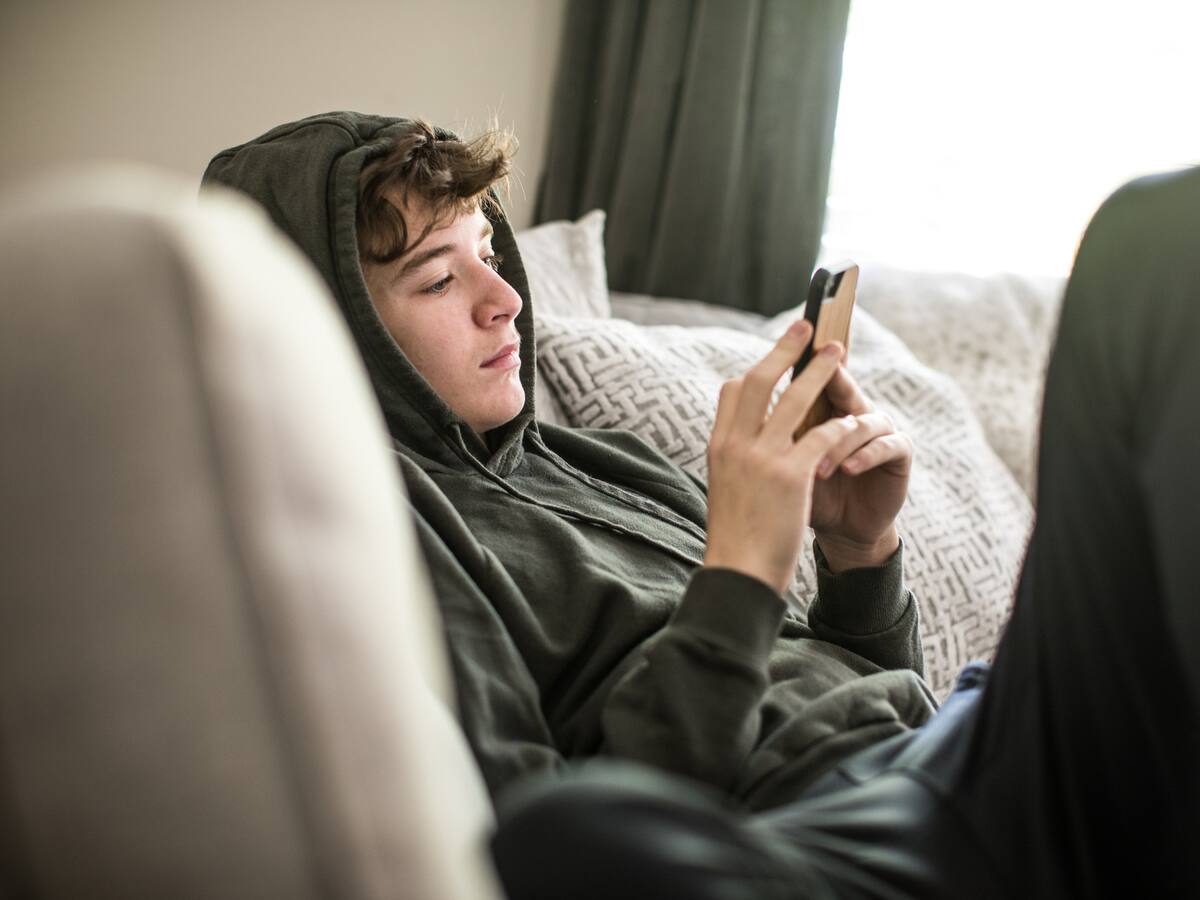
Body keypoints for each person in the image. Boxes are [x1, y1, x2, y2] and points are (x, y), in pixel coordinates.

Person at [205, 113, 1200, 896]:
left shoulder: (605, 461)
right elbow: (547, 834)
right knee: (564, 842)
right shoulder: (387, 540)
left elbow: (860, 693)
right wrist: (744, 572)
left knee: (1155, 240)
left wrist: (860, 557)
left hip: (958, 752)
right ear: (323, 327)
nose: (502, 298)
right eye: (436, 279)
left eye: (489, 255)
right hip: (817, 844)